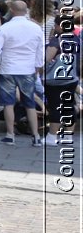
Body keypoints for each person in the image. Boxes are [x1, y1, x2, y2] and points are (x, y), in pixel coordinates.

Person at [0, 0, 46, 146]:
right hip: (28, 69)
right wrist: (37, 67)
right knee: (29, 104)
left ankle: (10, 135)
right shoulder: (36, 28)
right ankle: (36, 136)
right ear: (26, 10)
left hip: (8, 68)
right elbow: (40, 51)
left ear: (12, 11)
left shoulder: (5, 27)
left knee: (8, 103)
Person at [42, 13, 79, 146]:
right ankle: (68, 136)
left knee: (55, 106)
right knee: (69, 105)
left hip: (55, 79)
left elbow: (46, 59)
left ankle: (52, 136)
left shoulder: (56, 40)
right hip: (72, 77)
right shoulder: (76, 39)